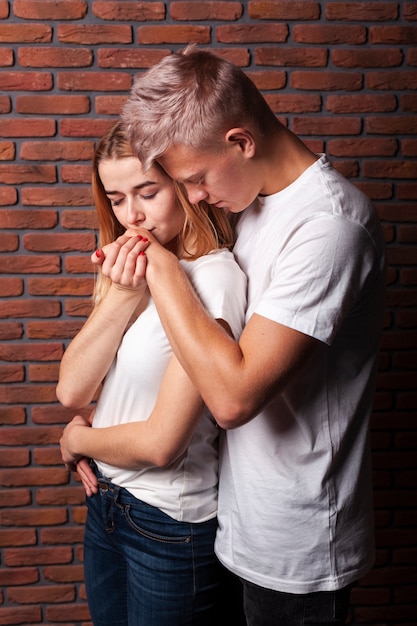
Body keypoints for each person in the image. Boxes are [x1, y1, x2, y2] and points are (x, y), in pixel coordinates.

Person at [116, 45, 387, 626]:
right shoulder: (256, 204)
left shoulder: (329, 228)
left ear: (241, 142)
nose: (192, 198)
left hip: (299, 547)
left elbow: (233, 396)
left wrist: (163, 270)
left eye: (195, 178)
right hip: (237, 522)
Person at [56, 121, 247, 626]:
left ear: (183, 189)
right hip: (107, 506)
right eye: (117, 199)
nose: (132, 216)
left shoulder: (215, 279)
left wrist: (79, 443)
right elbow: (72, 389)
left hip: (168, 525)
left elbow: (163, 443)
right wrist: (120, 295)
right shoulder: (134, 270)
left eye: (147, 192)